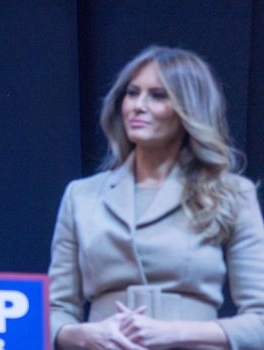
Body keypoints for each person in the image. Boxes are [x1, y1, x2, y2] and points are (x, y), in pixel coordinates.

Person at [48, 46, 264, 350]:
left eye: (158, 95)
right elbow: (55, 311)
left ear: (188, 108)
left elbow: (260, 320)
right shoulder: (81, 196)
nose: (138, 105)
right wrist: (85, 335)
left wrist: (175, 333)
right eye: (132, 93)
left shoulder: (232, 193)